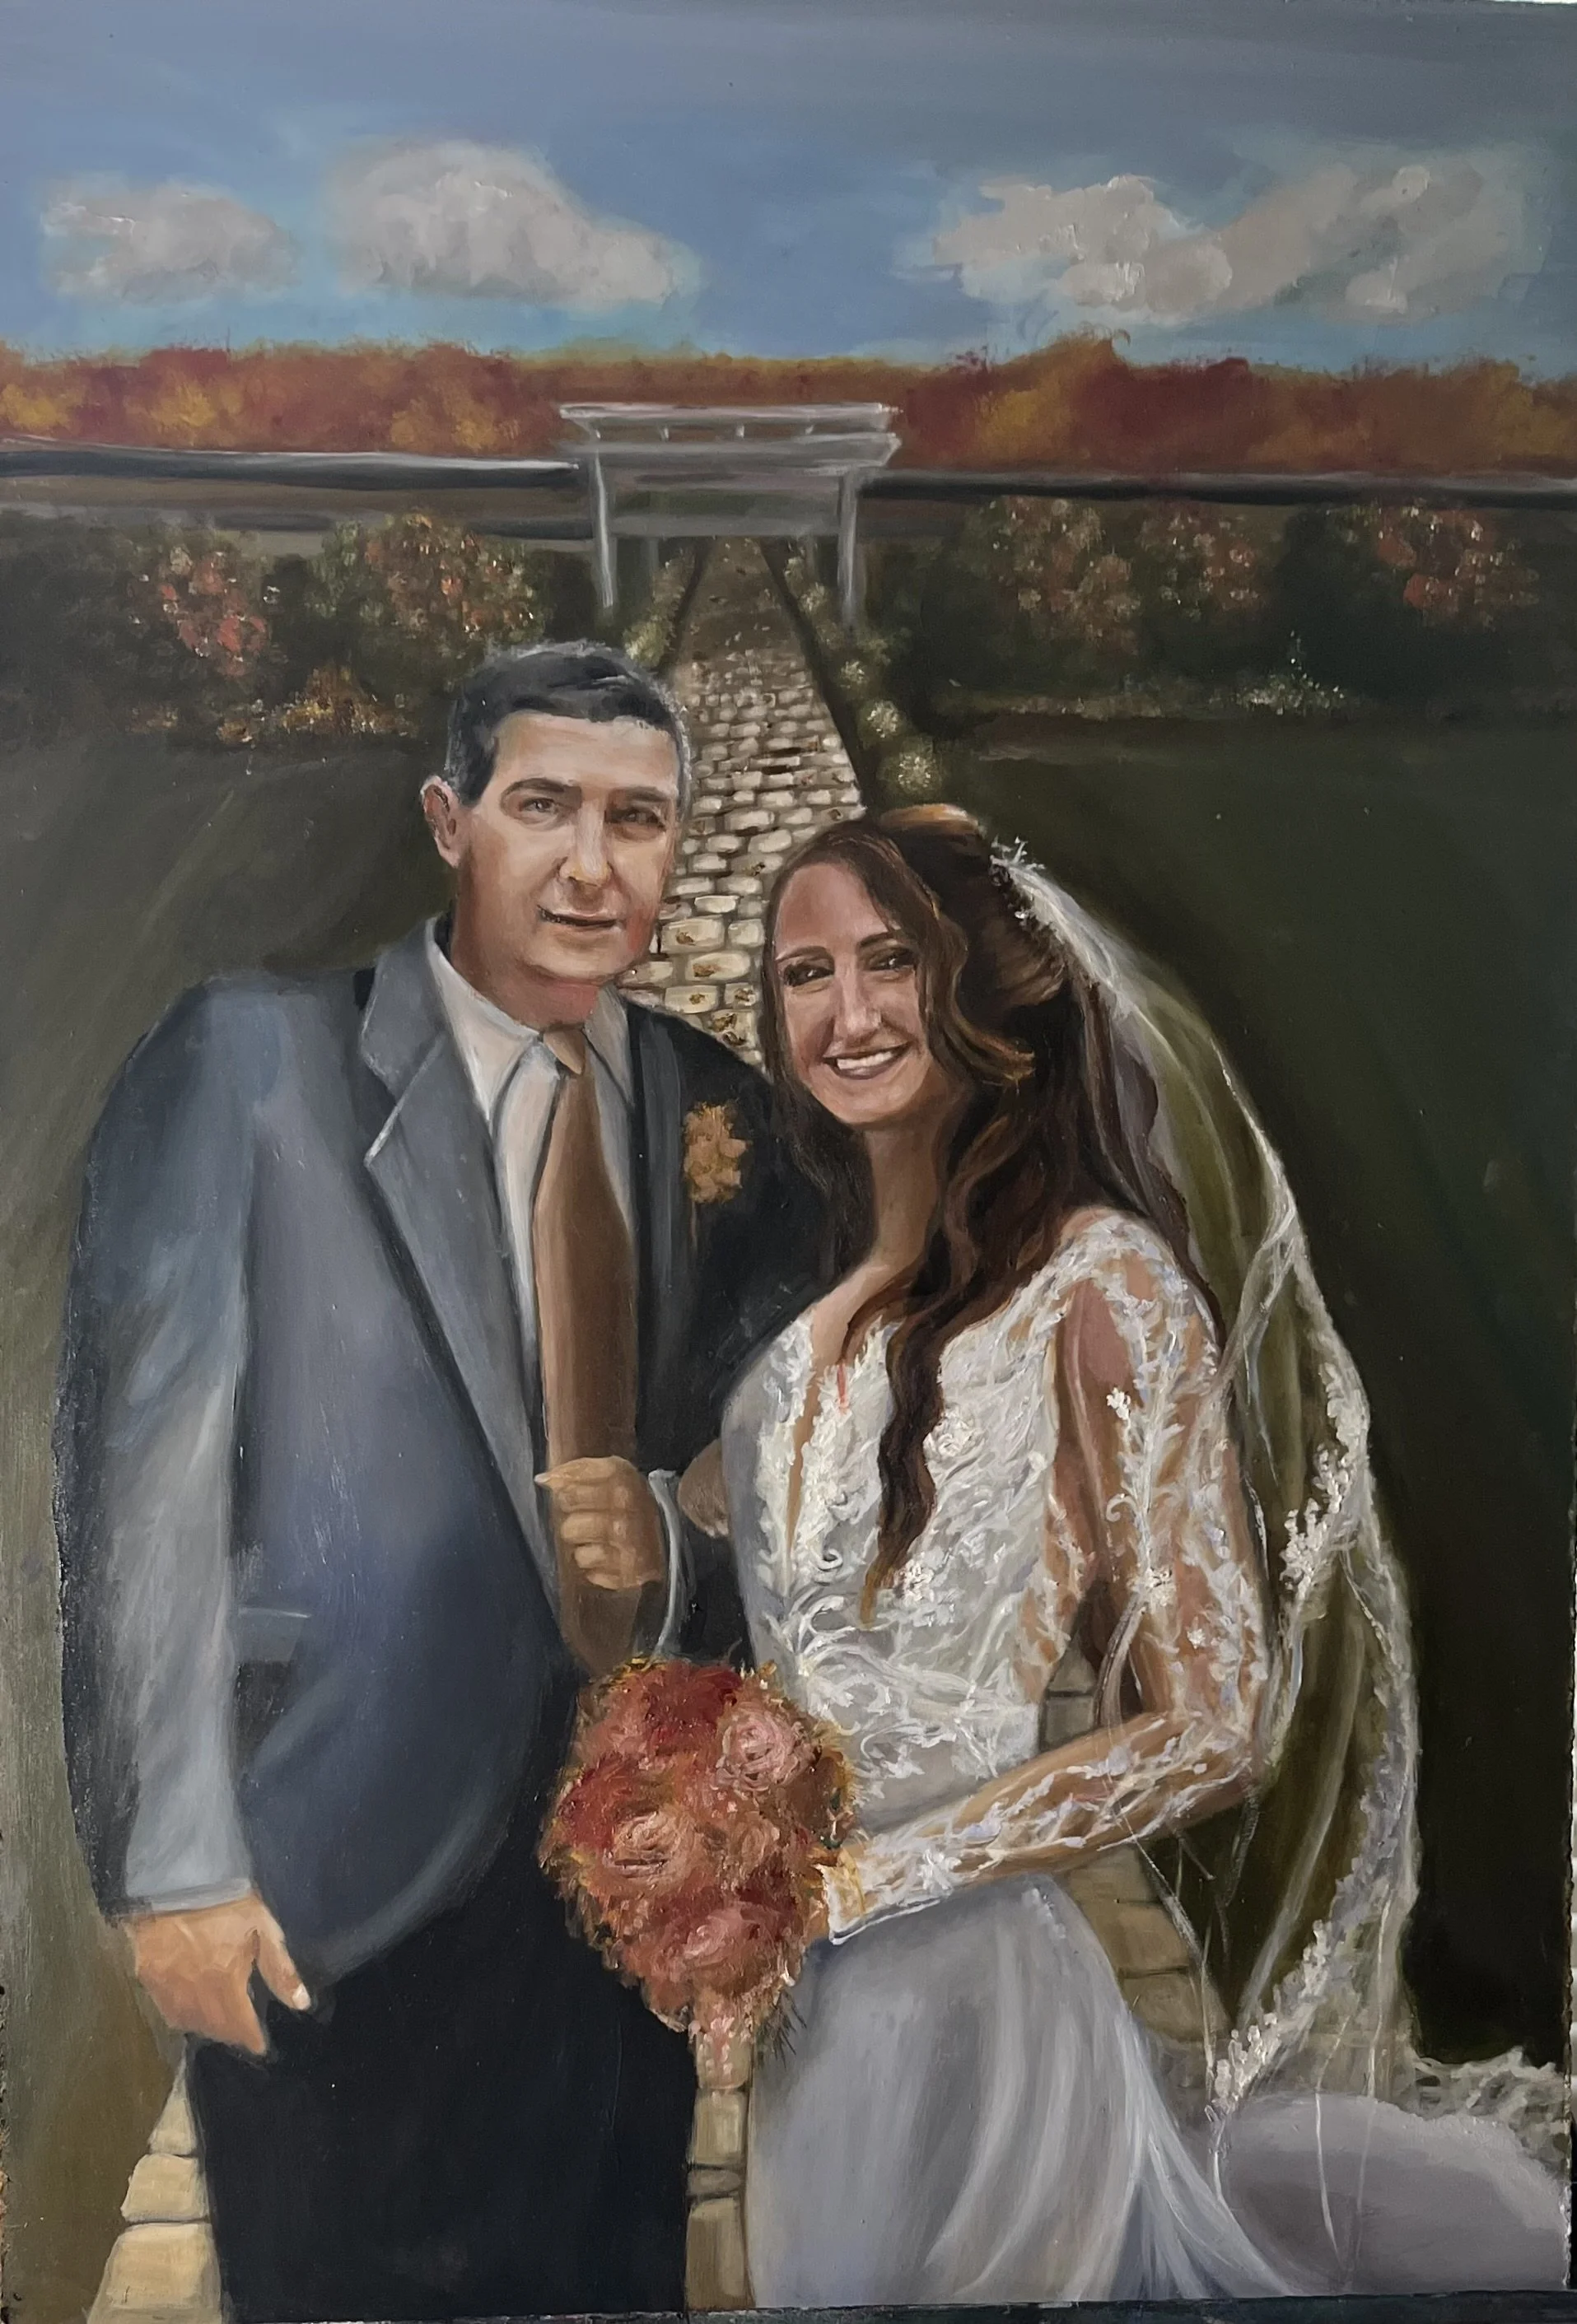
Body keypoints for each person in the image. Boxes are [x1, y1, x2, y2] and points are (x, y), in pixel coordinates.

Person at [54, 641, 823, 2322]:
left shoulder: (718, 1113)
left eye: (639, 820)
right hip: (335, 1873)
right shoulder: (253, 1064)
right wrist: (172, 1863)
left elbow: (785, 1487)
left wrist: (675, 1573)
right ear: (447, 820)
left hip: (617, 1892)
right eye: (544, 806)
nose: (593, 866)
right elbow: (142, 1482)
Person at [703, 804, 1565, 2303]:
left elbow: (1215, 1723)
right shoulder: (790, 1356)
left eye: (891, 960)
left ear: (983, 986)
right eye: (803, 974)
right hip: (811, 2036)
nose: (846, 1014)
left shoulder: (1101, 1288)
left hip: (983, 2012)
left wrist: (875, 1878)